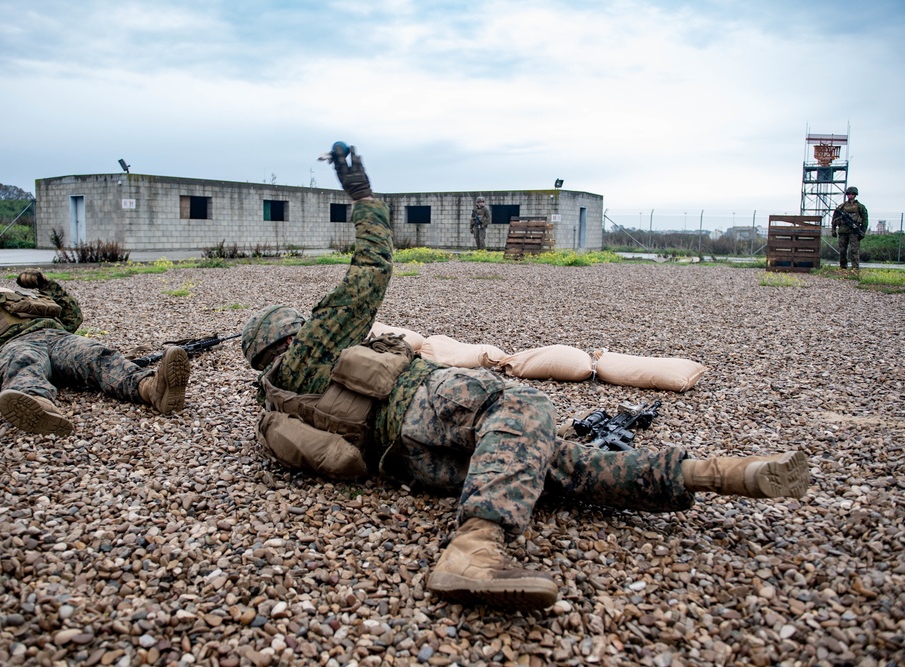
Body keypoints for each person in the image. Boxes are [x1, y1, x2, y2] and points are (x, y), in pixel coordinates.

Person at [241, 144, 810, 612]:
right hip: (424, 404)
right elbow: (371, 268)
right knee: (522, 407)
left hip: (405, 457)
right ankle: (473, 548)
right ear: (289, 335)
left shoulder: (279, 394)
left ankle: (721, 474)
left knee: (549, 464)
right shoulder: (312, 347)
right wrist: (362, 197)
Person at [0, 264, 191, 436]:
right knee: (24, 362)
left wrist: (45, 284)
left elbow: (72, 317)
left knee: (96, 354)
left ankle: (152, 389)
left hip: (56, 338)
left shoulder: (24, 300)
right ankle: (37, 405)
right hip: (15, 343)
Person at [832, 186, 869, 270]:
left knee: (854, 250)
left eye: (852, 194)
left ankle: (855, 268)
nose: (850, 195)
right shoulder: (841, 207)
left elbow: (865, 220)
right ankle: (843, 267)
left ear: (855, 195)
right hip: (843, 231)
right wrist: (833, 230)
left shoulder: (860, 207)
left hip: (854, 232)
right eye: (848, 194)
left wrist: (862, 232)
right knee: (842, 251)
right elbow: (834, 218)